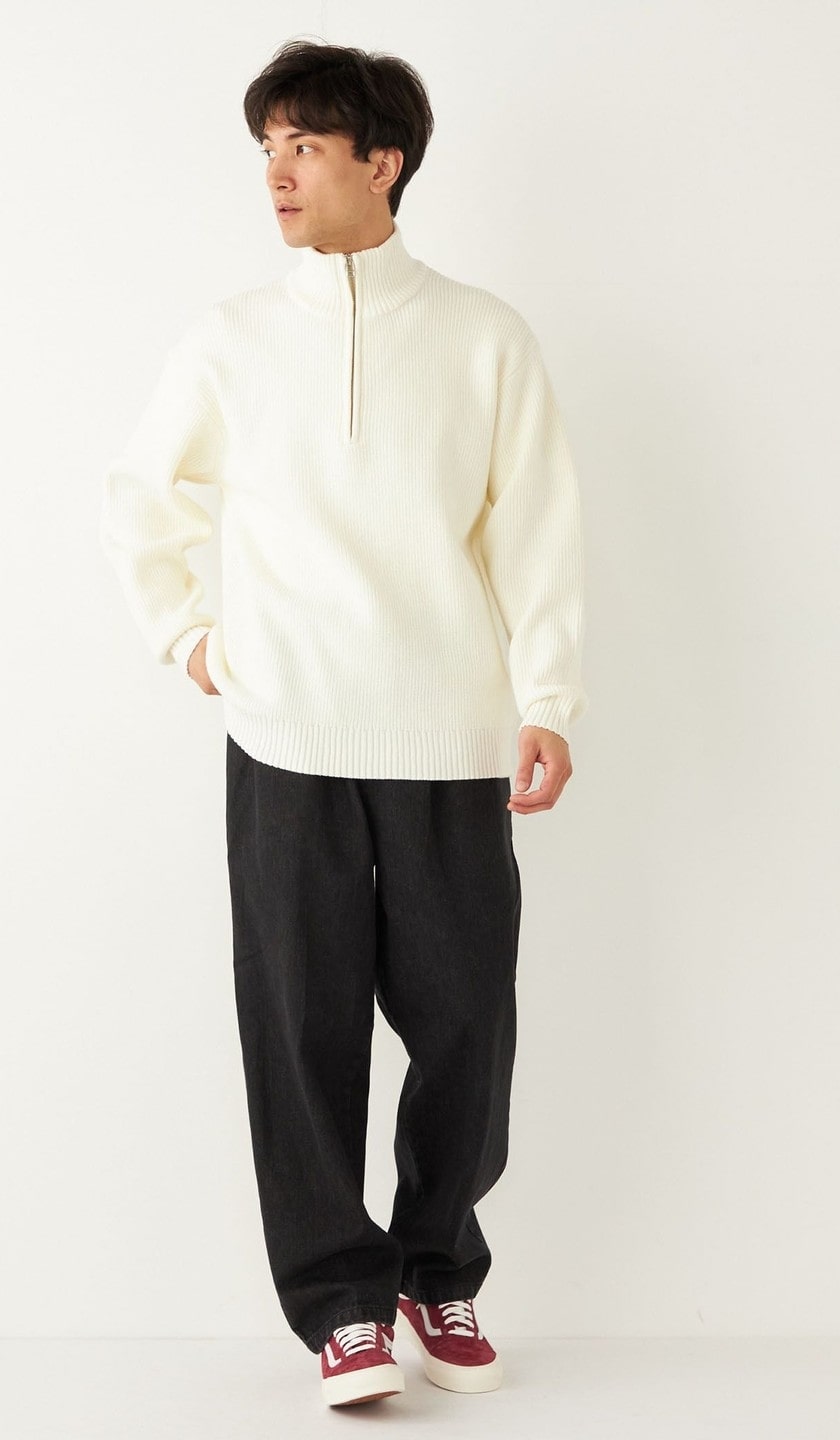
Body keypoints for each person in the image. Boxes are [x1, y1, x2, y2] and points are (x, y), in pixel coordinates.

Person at [99, 38, 589, 1409]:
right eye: (268, 148)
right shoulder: (233, 339)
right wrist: (191, 637)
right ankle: (339, 1305)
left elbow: (537, 529)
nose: (277, 172)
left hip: (449, 732)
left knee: (467, 1023)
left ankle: (437, 1267)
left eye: (304, 146)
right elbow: (142, 496)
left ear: (385, 161)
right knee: (299, 1029)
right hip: (286, 735)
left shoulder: (485, 337)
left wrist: (549, 698)